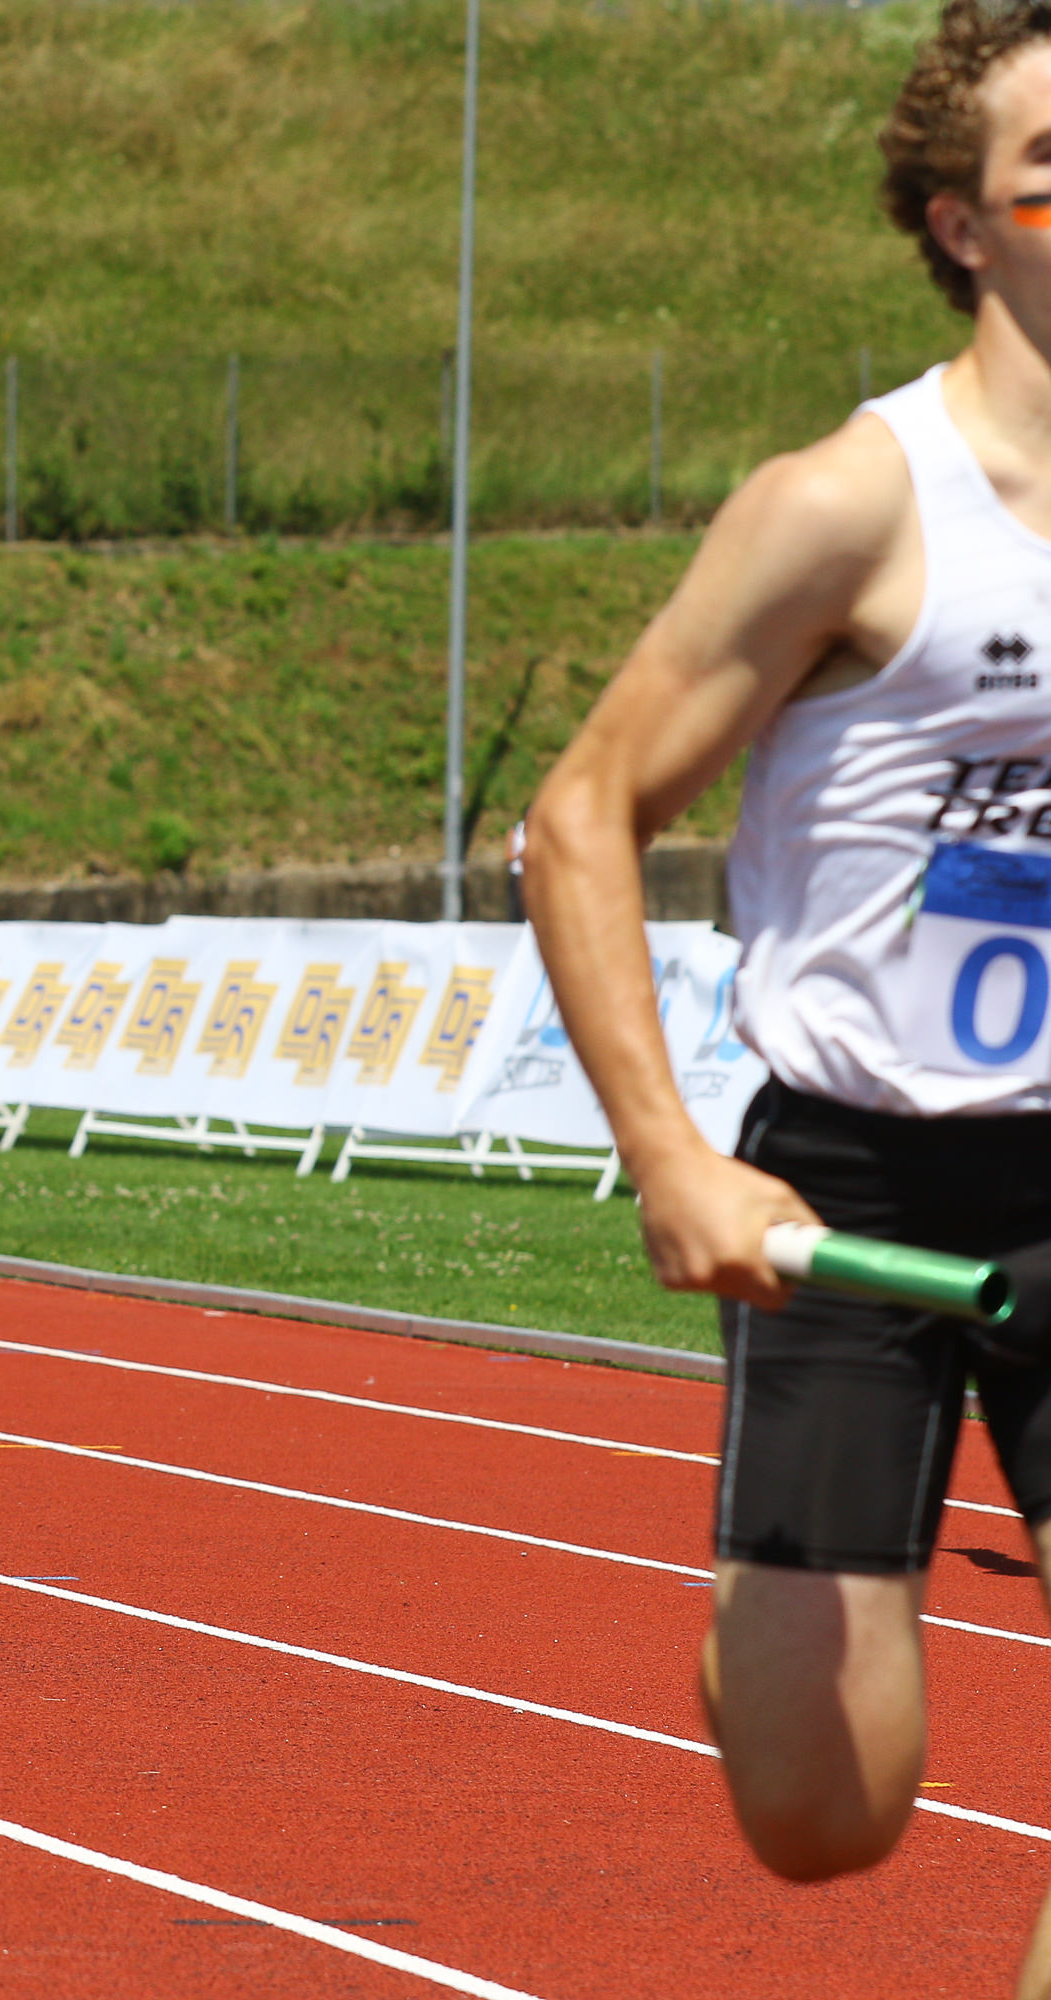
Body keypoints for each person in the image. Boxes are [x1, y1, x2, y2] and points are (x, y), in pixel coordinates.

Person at [525, 9, 1051, 1989]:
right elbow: (582, 814)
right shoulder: (849, 504)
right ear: (962, 226)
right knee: (826, 1815)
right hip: (859, 1188)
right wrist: (671, 1158)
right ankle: (764, 1644)